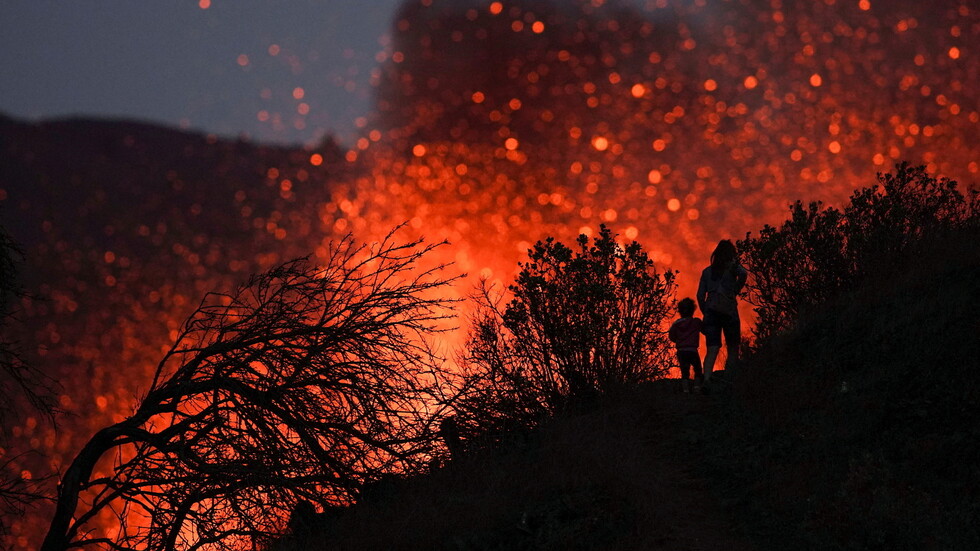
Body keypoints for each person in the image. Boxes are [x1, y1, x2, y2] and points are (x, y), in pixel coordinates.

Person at [696, 239, 748, 386]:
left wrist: (705, 311)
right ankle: (730, 378)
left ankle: (706, 379)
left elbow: (700, 296)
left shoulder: (707, 272)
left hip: (711, 312)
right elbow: (744, 274)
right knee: (733, 346)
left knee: (712, 347)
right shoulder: (732, 268)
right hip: (730, 310)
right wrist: (735, 290)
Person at [668, 297, 703, 393]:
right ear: (693, 310)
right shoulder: (696, 322)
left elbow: (671, 336)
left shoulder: (676, 324)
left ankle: (685, 389)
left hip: (681, 351)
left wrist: (679, 340)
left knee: (684, 370)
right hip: (692, 350)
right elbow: (704, 330)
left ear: (680, 311)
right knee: (698, 369)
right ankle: (697, 387)